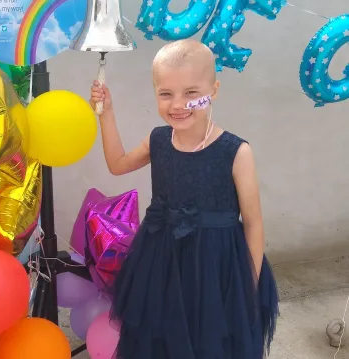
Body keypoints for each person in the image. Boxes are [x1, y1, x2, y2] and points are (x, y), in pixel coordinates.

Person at [89, 39, 279, 359]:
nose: (178, 104)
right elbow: (117, 164)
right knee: (161, 339)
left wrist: (249, 284)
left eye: (192, 92)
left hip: (218, 267)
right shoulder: (158, 140)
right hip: (161, 260)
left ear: (213, 90)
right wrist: (105, 113)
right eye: (166, 94)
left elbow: (254, 221)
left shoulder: (236, 152)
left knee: (210, 343)